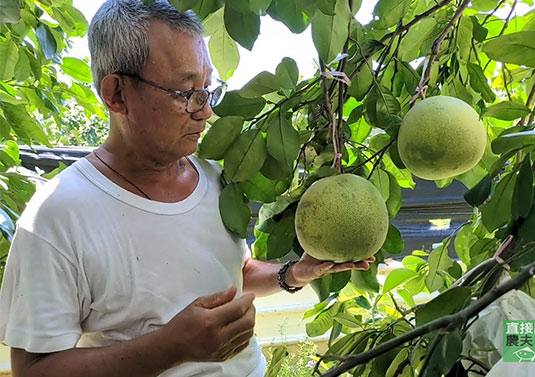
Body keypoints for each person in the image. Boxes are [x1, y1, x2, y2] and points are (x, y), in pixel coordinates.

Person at [0, 1, 375, 376]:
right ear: (116, 94)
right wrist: (169, 348)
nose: (206, 110)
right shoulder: (56, 216)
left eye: (207, 88)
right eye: (186, 92)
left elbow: (232, 271)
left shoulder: (213, 176)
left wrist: (294, 274)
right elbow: (33, 369)